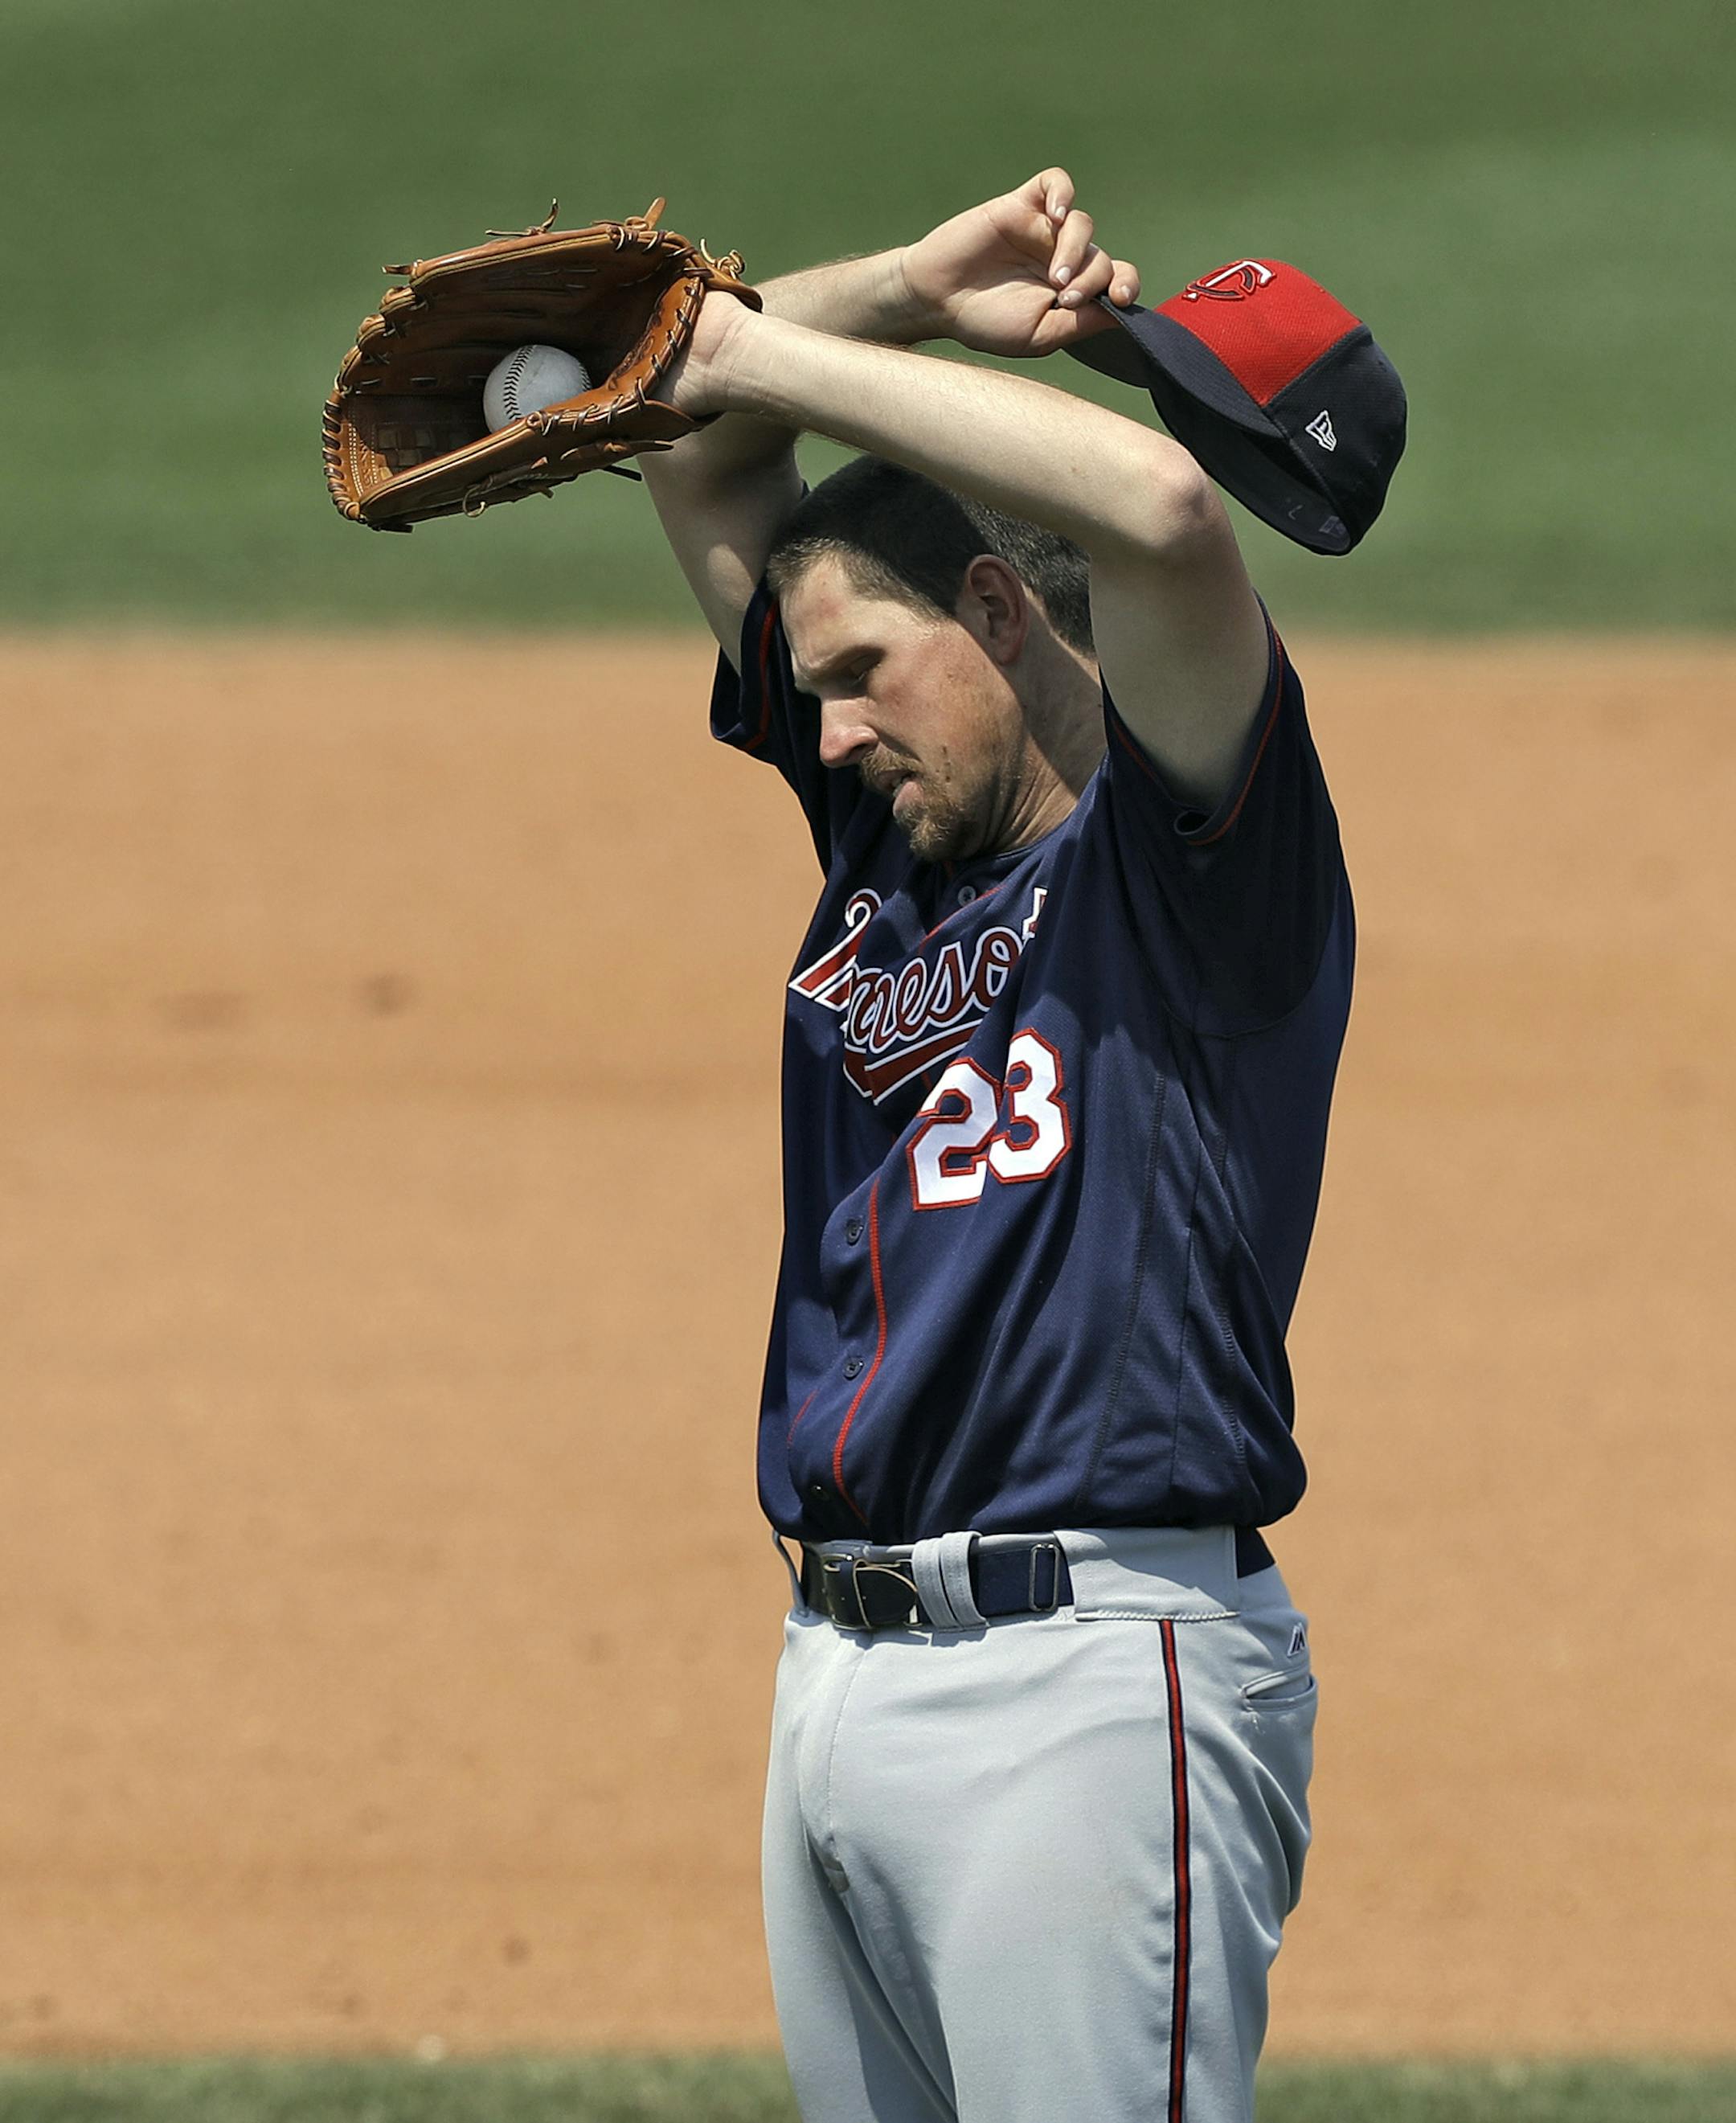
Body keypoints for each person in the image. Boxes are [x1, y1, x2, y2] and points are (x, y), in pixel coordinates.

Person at [641, 166, 1352, 2123]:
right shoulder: (890, 842)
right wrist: (906, 284)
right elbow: (700, 466)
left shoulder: (1197, 859)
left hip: (1091, 1688)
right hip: (838, 1679)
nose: (831, 733)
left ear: (997, 610)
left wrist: (758, 348)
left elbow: (1165, 507)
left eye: (863, 674)